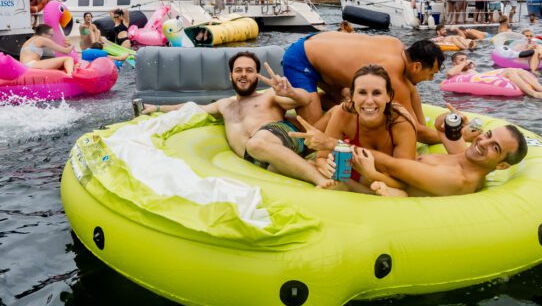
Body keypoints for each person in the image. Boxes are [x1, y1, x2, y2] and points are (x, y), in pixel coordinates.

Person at [141, 52, 333, 187]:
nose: (243, 74)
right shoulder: (224, 105)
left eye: (249, 70)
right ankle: (347, 187)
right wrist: (157, 108)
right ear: (230, 75)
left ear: (257, 76)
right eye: (238, 70)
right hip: (259, 158)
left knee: (256, 144)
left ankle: (317, 179)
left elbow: (305, 99)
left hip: (276, 135)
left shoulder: (268, 96)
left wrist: (290, 92)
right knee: (274, 166)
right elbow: (192, 108)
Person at [282, 33, 445, 143]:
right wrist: (452, 137)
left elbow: (412, 91)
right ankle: (279, 119)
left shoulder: (397, 45)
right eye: (431, 74)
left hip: (316, 44)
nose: (430, 79)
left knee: (349, 107)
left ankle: (313, 102)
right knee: (314, 135)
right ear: (416, 67)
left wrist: (423, 124)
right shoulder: (392, 75)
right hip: (301, 59)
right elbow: (415, 130)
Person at [288, 65, 418, 192]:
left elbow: (405, 183)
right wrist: (325, 166)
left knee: (397, 193)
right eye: (362, 93)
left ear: (388, 96)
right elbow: (322, 157)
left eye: (377, 93)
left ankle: (349, 187)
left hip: (382, 181)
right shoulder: (343, 113)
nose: (369, 101)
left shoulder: (401, 124)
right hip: (351, 175)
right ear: (353, 95)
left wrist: (372, 175)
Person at [348, 121, 528, 197]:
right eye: (488, 135)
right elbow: (442, 128)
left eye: (494, 147)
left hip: (374, 189)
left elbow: (391, 166)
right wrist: (454, 121)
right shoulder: (466, 158)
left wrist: (330, 143)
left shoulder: (458, 179)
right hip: (376, 175)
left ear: (502, 165)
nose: (482, 142)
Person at [445, 51, 542, 100]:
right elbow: (449, 74)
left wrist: (468, 65)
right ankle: (534, 94)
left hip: (486, 76)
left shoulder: (468, 68)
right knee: (510, 71)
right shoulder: (456, 71)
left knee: (519, 70)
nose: (465, 61)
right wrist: (464, 64)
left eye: (466, 58)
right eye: (461, 59)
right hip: (485, 78)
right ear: (455, 62)